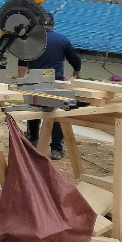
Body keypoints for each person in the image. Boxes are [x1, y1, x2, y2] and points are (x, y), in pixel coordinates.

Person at [19, 14, 81, 160]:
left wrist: (21, 81)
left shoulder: (31, 39)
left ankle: (32, 139)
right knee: (56, 113)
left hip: (34, 81)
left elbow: (22, 62)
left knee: (34, 110)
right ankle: (56, 149)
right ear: (52, 24)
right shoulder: (62, 39)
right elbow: (75, 59)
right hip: (55, 82)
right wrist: (76, 71)